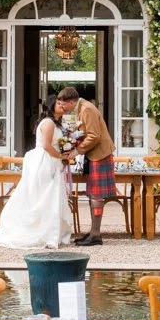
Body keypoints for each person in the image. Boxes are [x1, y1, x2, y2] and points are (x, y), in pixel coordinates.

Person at [0, 93, 75, 249]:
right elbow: (46, 145)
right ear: (51, 106)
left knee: (50, 197)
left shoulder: (56, 123)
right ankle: (42, 232)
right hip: (45, 161)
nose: (62, 106)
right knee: (44, 196)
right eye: (59, 103)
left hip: (51, 160)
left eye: (63, 103)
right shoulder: (48, 123)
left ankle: (51, 232)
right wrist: (61, 156)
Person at [57, 87, 117, 247]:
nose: (62, 108)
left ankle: (96, 235)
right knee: (93, 194)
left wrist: (76, 151)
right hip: (94, 155)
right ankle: (93, 233)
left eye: (63, 105)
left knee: (96, 195)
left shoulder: (87, 109)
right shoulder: (79, 109)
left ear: (71, 102)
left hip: (100, 155)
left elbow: (94, 136)